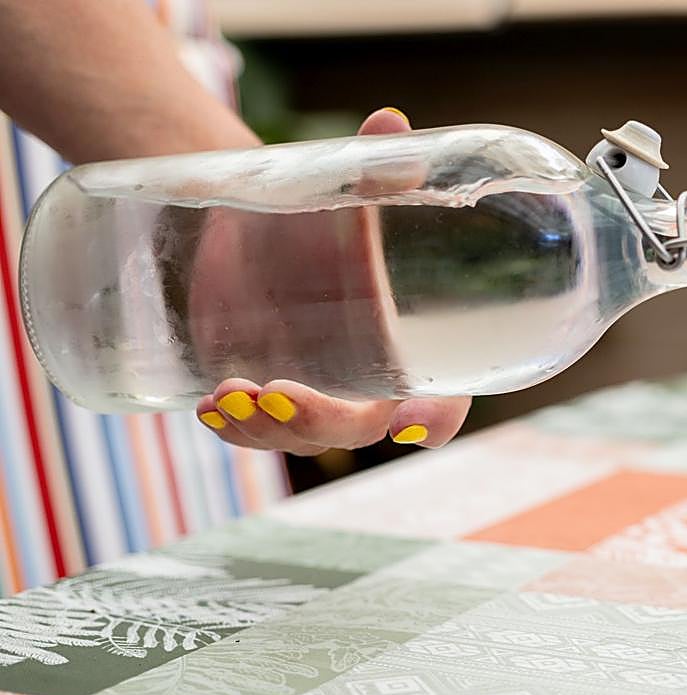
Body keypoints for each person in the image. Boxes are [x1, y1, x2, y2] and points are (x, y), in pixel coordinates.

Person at [0, 0, 468, 590]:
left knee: (166, 625)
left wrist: (239, 210)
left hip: (178, 270)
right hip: (93, 171)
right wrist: (243, 201)